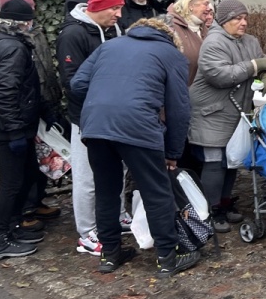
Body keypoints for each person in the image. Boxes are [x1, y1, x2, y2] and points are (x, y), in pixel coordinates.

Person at [69, 17, 198, 277]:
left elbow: (77, 84)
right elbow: (179, 109)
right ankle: (167, 258)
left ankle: (110, 255)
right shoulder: (170, 54)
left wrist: (106, 99)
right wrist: (173, 152)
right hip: (138, 126)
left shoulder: (110, 46)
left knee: (106, 191)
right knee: (156, 191)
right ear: (170, 37)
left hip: (96, 126)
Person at [187, 0, 266, 232]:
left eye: (245, 17)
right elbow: (219, 75)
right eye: (238, 18)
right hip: (211, 113)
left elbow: (264, 66)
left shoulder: (250, 41)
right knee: (214, 162)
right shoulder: (213, 42)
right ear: (225, 20)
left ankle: (225, 204)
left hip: (237, 112)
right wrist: (255, 66)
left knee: (231, 162)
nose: (244, 22)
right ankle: (210, 211)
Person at [55, 0, 129, 256]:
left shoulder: (113, 30)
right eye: (114, 8)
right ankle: (86, 233)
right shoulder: (73, 34)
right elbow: (72, 81)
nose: (119, 14)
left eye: (120, 8)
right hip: (85, 117)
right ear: (97, 7)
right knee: (87, 177)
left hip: (114, 115)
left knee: (117, 169)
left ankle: (118, 217)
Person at [0, 0, 48, 260]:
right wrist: (15, 132)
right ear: (23, 23)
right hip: (9, 128)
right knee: (10, 184)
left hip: (12, 125)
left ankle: (13, 228)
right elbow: (5, 92)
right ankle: (0, 240)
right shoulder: (13, 48)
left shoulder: (6, 42)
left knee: (21, 178)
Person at [166, 0, 212, 85]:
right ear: (191, 6)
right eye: (205, 4)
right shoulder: (172, 28)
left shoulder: (204, 28)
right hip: (182, 90)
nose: (209, 8)